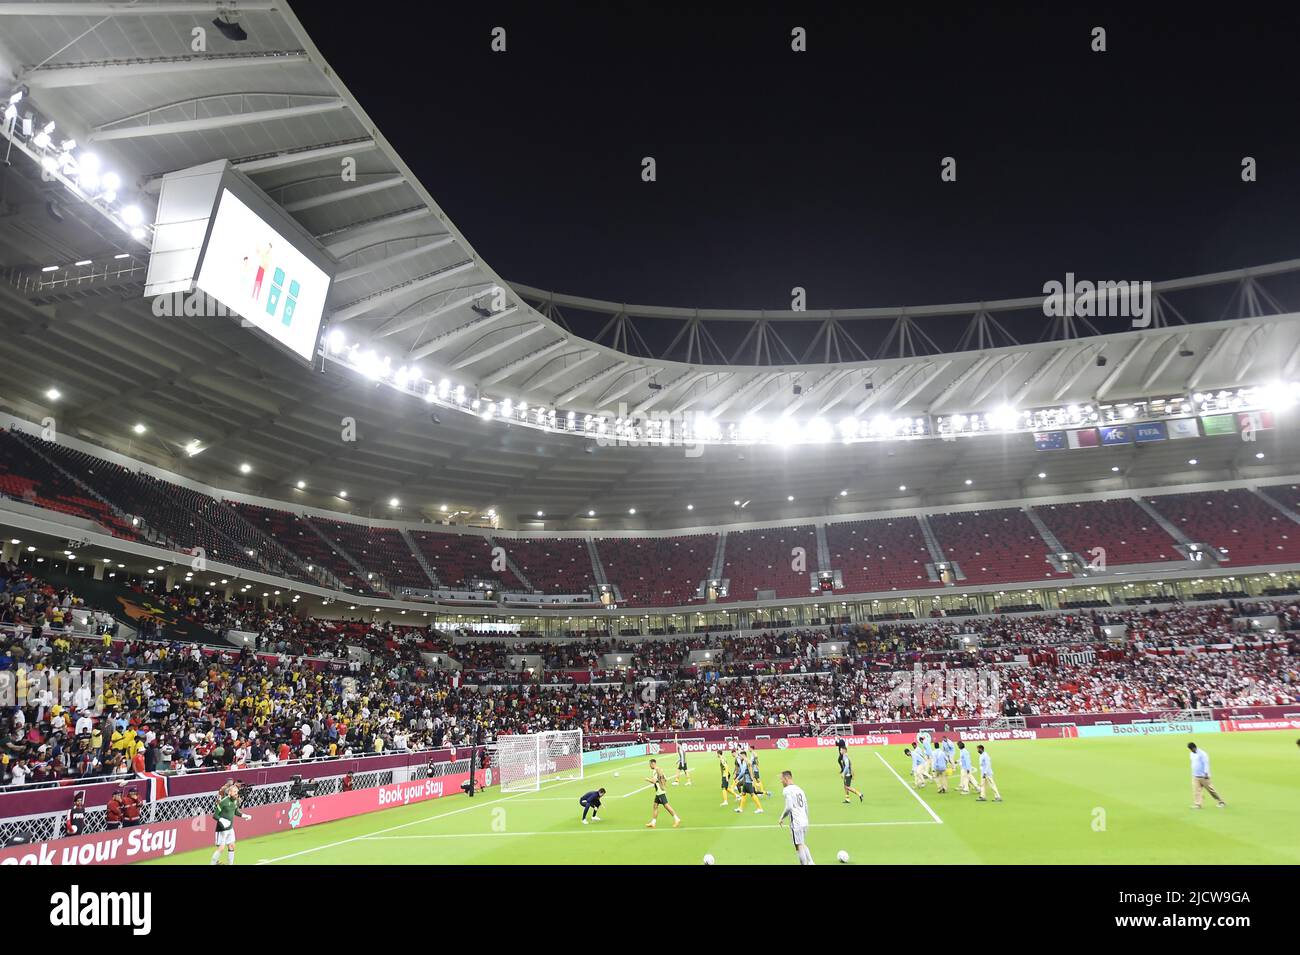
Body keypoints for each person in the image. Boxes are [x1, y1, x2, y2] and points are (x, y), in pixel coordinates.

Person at [211, 780, 253, 865]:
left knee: (232, 846)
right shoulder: (223, 802)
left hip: (230, 828)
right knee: (221, 848)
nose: (236, 793)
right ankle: (212, 863)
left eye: (237, 792)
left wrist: (245, 816)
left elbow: (236, 812)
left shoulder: (235, 801)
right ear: (229, 792)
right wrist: (222, 820)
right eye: (234, 792)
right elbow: (215, 816)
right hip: (222, 828)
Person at [777, 770, 814, 866]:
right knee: (802, 842)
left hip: (796, 822)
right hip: (804, 820)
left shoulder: (786, 790)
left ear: (786, 778)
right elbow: (806, 806)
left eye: (781, 779)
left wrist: (781, 817)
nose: (781, 781)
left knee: (799, 846)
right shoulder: (800, 789)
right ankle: (811, 862)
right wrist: (806, 818)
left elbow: (789, 807)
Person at [644, 759, 681, 829]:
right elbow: (665, 779)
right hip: (659, 791)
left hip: (660, 791)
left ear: (653, 763)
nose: (649, 766)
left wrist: (647, 779)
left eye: (650, 764)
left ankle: (677, 819)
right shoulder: (660, 769)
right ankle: (653, 822)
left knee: (666, 805)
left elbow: (654, 781)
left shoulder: (655, 771)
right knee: (655, 806)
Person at [1187, 742, 1225, 809]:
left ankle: (1221, 802)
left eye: (1192, 749)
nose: (1191, 750)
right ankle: (1198, 804)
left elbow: (1206, 763)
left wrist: (1206, 773)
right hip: (1195, 776)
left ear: (1194, 747)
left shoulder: (1202, 754)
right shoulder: (1191, 754)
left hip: (1204, 776)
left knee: (1211, 790)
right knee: (1196, 791)